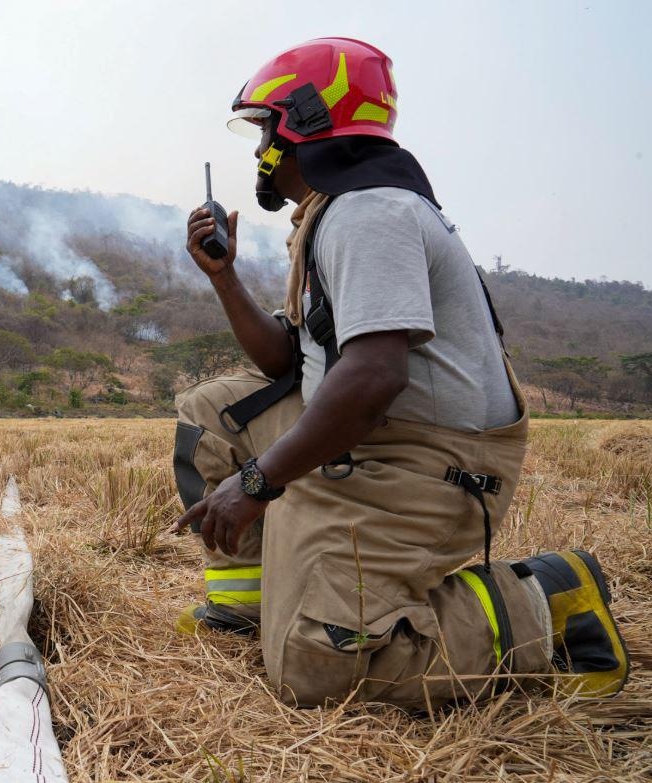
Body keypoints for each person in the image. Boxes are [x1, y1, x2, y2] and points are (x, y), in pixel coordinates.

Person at [169, 37, 628, 707]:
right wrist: (223, 277)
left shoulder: (369, 213)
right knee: (211, 415)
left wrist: (258, 481)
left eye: (265, 129)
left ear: (302, 124)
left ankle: (545, 603)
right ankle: (251, 607)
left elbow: (373, 378)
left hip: (431, 457)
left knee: (313, 666)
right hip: (373, 429)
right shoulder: (333, 213)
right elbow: (287, 361)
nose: (259, 148)